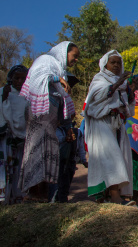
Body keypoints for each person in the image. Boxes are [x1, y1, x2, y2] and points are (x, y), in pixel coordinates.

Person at [19, 41, 79, 200]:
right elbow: (38, 76)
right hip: (39, 117)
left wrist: (68, 128)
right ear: (64, 52)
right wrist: (56, 78)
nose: (76, 60)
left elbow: (62, 102)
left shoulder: (62, 71)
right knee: (37, 151)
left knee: (49, 155)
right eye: (75, 56)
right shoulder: (46, 60)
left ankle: (44, 196)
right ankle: (33, 194)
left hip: (51, 123)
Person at [84, 50, 136, 206]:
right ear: (104, 64)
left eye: (118, 62)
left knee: (122, 158)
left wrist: (129, 90)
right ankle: (114, 197)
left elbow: (128, 108)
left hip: (118, 124)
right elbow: (97, 98)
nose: (116, 65)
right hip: (101, 123)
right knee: (112, 159)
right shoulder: (99, 80)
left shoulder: (123, 84)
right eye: (112, 62)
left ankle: (112, 196)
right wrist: (117, 84)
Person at [0, 65, 29, 204]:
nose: (19, 81)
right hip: (5, 138)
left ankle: (16, 198)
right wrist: (4, 99)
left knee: (17, 170)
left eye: (23, 78)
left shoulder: (26, 98)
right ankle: (3, 199)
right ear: (10, 78)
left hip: (20, 139)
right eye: (17, 78)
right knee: (5, 168)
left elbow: (26, 118)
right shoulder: (3, 92)